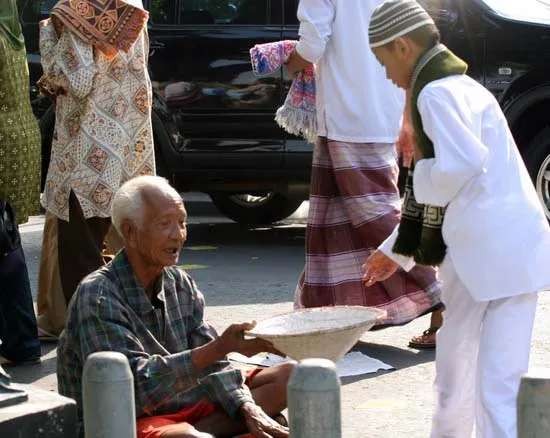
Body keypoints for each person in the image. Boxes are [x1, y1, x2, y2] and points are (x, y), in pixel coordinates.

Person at [363, 1, 550, 436]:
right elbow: (449, 179)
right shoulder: (461, 87)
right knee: (472, 375)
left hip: (493, 255)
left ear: (403, 47)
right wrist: (395, 249)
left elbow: (461, 164)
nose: (387, 76)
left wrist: (419, 172)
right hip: (495, 251)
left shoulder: (436, 93)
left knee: (483, 380)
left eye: (383, 61)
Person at [57, 176, 291, 438]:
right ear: (131, 232)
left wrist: (249, 410)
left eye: (182, 222)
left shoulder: (180, 283)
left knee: (295, 378)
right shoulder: (98, 295)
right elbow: (133, 391)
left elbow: (216, 365)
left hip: (184, 403)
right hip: (123, 420)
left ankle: (224, 427)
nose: (178, 234)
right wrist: (219, 347)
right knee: (186, 436)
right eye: (164, 224)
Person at [285, 0, 441, 328]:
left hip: (348, 116)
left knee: (376, 217)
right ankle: (325, 315)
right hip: (380, 111)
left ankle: (443, 293)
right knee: (333, 221)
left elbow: (312, 46)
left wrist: (287, 58)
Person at [35, 0, 155, 337]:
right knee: (125, 242)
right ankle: (131, 322)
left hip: (87, 148)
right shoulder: (132, 6)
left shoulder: (75, 12)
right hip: (128, 142)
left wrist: (49, 34)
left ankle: (89, 330)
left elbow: (77, 79)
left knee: (81, 248)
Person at [0, 0, 42, 366]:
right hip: (19, 136)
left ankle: (20, 340)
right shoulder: (11, 29)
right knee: (6, 239)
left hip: (2, 139)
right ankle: (22, 338)